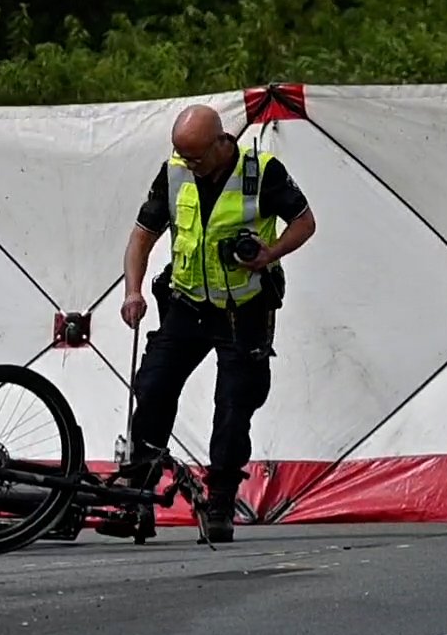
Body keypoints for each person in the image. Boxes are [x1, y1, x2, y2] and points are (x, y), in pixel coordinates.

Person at [113, 104, 317, 543]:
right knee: (152, 389)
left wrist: (270, 253)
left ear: (222, 142)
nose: (190, 165)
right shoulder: (173, 173)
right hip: (186, 304)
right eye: (182, 155)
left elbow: (305, 222)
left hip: (242, 308)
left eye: (197, 157)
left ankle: (220, 499)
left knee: (233, 406)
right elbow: (141, 236)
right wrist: (133, 290)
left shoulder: (261, 172)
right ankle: (139, 496)